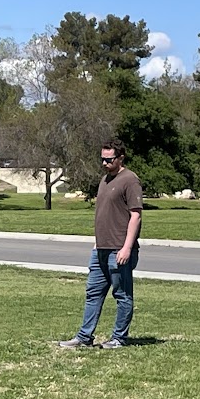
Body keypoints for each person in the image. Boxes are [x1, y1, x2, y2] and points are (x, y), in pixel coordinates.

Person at [59, 140, 143, 350]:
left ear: (120, 158)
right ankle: (84, 337)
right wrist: (97, 244)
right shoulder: (105, 179)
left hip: (119, 249)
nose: (105, 163)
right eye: (102, 159)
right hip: (101, 249)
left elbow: (136, 216)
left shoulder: (130, 180)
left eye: (109, 159)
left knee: (122, 295)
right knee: (93, 292)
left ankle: (119, 338)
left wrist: (126, 248)